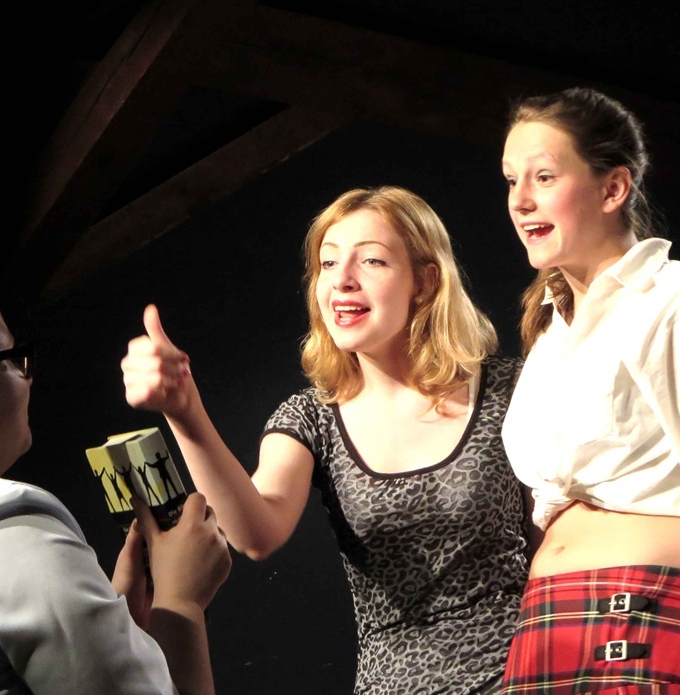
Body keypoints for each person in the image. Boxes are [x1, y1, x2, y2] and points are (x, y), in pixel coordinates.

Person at [122, 185, 530, 694]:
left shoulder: (511, 389)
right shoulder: (311, 418)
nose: (342, 280)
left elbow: (557, 542)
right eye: (328, 263)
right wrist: (185, 412)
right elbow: (255, 532)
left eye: (372, 261)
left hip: (523, 676)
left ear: (425, 282)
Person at [499, 86, 680, 692]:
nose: (520, 199)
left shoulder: (666, 301)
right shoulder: (552, 332)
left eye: (544, 176)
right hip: (548, 621)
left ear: (613, 188)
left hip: (640, 610)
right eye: (511, 180)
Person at [0, 301, 232, 695]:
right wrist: (182, 605)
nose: (28, 378)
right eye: (10, 357)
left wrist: (113, 627)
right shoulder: (19, 534)